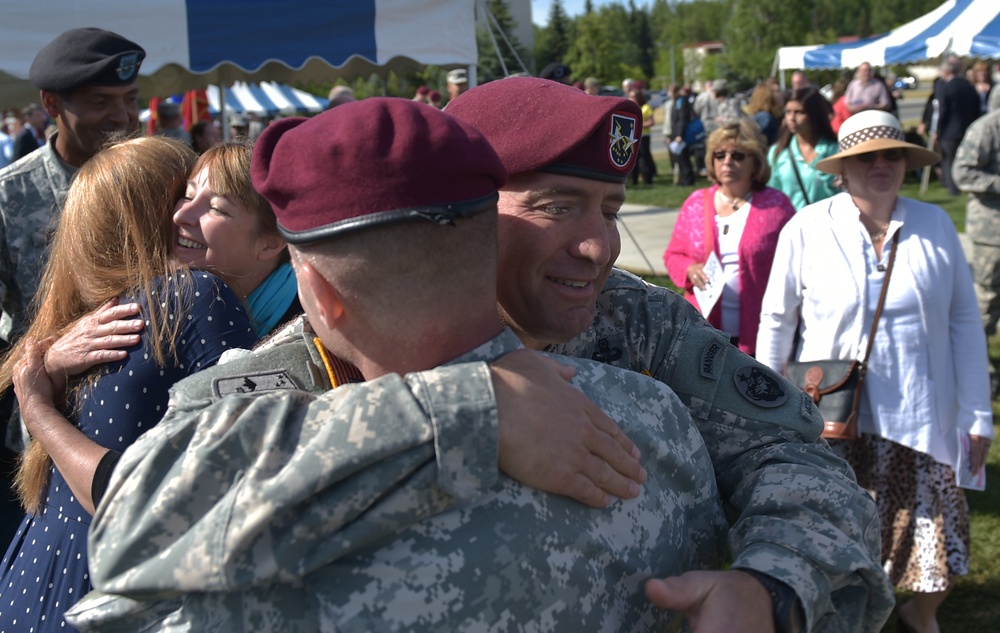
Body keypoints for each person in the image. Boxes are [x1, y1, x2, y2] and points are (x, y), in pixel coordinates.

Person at [74, 78, 893, 633]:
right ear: (461, 210)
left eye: (609, 207)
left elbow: (799, 461)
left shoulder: (632, 322)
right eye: (557, 204)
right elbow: (148, 514)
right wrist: (469, 411)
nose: (599, 243)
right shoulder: (304, 366)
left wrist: (770, 586)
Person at [0, 136, 259, 632]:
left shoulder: (82, 327)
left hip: (32, 590)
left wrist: (41, 387)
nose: (190, 213)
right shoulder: (195, 295)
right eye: (183, 196)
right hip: (110, 601)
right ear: (156, 217)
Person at [757, 110, 994, 633]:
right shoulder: (809, 226)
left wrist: (978, 413)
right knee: (835, 537)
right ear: (843, 168)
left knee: (938, 546)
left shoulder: (935, 224)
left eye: (892, 154)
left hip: (924, 415)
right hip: (836, 419)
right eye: (867, 156)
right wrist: (765, 406)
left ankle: (916, 614)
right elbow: (777, 319)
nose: (881, 165)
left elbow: (963, 321)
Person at [0, 28, 144, 343]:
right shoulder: (9, 196)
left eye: (130, 99)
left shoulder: (160, 178)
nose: (122, 116)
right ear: (52, 105)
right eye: (100, 101)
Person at [664, 119, 795, 357]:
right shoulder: (695, 203)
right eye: (720, 155)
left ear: (754, 161)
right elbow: (673, 254)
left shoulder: (777, 206)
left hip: (760, 333)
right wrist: (689, 269)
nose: (727, 161)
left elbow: (797, 264)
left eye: (737, 155)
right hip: (702, 331)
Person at [953, 107, 1000, 390]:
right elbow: (963, 172)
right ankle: (980, 371)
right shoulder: (986, 128)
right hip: (991, 232)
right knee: (986, 302)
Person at [767, 87, 840, 210]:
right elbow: (772, 194)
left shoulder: (833, 151)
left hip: (827, 223)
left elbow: (843, 194)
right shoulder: (777, 153)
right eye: (788, 112)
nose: (792, 118)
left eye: (799, 112)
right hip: (789, 224)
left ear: (814, 114)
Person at [934, 57, 982, 196]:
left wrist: (937, 129)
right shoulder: (968, 86)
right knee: (966, 159)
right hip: (967, 129)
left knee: (949, 161)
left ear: (946, 72)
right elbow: (976, 108)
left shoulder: (945, 88)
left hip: (949, 131)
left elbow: (942, 111)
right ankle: (967, 185)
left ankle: (953, 189)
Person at [628, 87, 656, 185]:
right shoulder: (631, 108)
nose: (631, 99)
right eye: (630, 97)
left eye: (633, 97)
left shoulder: (645, 108)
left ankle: (648, 178)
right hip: (633, 136)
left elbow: (651, 122)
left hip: (644, 136)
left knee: (645, 156)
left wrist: (639, 124)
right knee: (634, 158)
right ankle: (634, 179)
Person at [670, 84, 696, 185]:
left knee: (684, 157)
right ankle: (682, 179)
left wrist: (679, 134)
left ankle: (688, 179)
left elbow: (682, 119)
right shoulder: (676, 102)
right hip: (676, 133)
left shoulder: (682, 101)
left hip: (681, 135)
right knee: (679, 158)